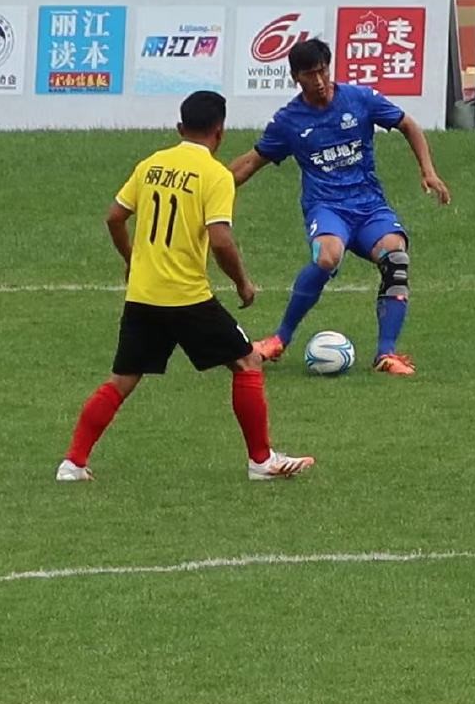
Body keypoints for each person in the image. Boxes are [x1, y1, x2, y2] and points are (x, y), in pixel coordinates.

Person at [57, 91, 312, 482]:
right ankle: (261, 461)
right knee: (246, 361)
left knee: (122, 381)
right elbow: (221, 239)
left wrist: (131, 259)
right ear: (220, 132)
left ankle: (73, 463)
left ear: (180, 128)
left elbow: (114, 218)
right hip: (187, 297)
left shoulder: (151, 165)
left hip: (143, 295)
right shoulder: (215, 176)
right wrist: (242, 283)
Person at [230, 38, 451, 376]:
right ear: (295, 77)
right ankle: (279, 339)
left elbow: (408, 124)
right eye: (309, 75)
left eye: (322, 71)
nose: (318, 81)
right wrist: (208, 188)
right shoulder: (289, 121)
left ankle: (386, 355)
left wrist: (429, 171)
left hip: (369, 206)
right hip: (326, 208)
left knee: (396, 257)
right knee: (327, 256)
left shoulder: (359, 99)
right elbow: (250, 163)